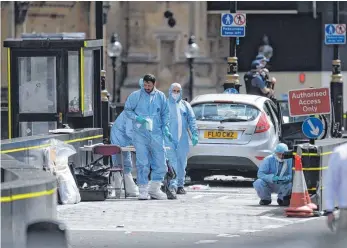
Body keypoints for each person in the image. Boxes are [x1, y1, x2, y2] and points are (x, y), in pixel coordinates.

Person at [124, 74, 173, 200]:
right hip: (140, 134)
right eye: (145, 85)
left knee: (161, 163)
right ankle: (143, 189)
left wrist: (165, 127)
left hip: (156, 133)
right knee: (142, 163)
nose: (146, 87)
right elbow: (128, 110)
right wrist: (137, 118)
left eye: (149, 85)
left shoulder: (160, 96)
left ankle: (154, 188)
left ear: (154, 84)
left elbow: (165, 113)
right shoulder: (136, 96)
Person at [165, 83, 198, 196]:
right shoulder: (165, 104)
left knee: (182, 163)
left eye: (178, 91)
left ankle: (180, 185)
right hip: (168, 138)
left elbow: (192, 120)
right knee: (172, 162)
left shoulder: (185, 105)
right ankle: (172, 186)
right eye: (173, 91)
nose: (175, 93)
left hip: (182, 139)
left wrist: (194, 134)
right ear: (169, 91)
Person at [110, 111, 139, 197]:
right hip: (120, 138)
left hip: (122, 138)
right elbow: (130, 132)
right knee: (121, 164)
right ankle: (123, 189)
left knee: (123, 164)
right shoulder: (130, 114)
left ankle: (122, 189)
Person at [325, 142, 347, 236]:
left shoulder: (340, 152)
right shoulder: (340, 152)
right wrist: (329, 210)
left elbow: (331, 183)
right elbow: (331, 183)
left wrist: (330, 210)